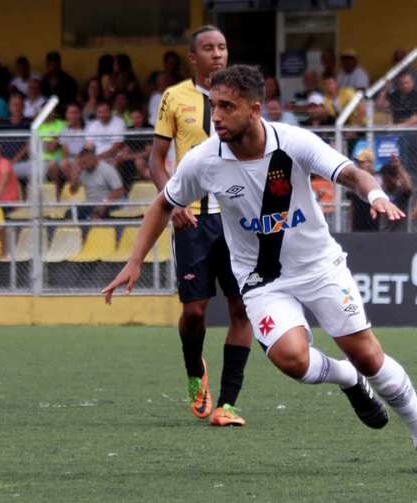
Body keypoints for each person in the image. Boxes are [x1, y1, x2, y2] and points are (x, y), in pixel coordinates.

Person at [104, 64, 417, 474]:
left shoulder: (294, 141)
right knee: (292, 361)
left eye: (227, 107)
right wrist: (135, 259)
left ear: (254, 108)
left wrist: (373, 193)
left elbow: (351, 173)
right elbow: (164, 203)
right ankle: (347, 380)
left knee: (369, 357)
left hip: (319, 267)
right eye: (214, 106)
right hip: (262, 279)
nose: (217, 117)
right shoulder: (204, 160)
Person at [149, 25, 253, 427]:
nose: (218, 54)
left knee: (240, 307)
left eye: (223, 47)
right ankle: (196, 373)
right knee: (194, 312)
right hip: (191, 217)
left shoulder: (244, 95)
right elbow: (157, 160)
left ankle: (228, 402)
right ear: (193, 57)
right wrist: (171, 200)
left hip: (235, 217)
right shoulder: (174, 97)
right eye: (209, 48)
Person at [67, 144, 125, 220]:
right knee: (69, 214)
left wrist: (104, 203)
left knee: (97, 213)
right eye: (81, 163)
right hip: (90, 203)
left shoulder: (107, 169)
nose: (83, 166)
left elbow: (119, 191)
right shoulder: (82, 171)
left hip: (108, 203)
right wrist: (74, 178)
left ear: (93, 159)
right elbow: (73, 191)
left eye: (85, 162)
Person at [377, 157, 412, 232]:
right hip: (384, 231)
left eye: (388, 180)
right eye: (384, 179)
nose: (386, 183)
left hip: (400, 232)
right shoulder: (382, 192)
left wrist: (398, 167)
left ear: (395, 178)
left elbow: (408, 187)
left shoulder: (400, 192)